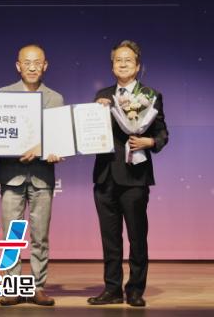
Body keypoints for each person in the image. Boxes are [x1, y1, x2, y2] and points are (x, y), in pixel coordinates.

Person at [88, 40, 168, 308]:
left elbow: (162, 133)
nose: (122, 64)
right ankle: (112, 289)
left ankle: (135, 289)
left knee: (137, 236)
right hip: (105, 175)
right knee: (109, 238)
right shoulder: (103, 95)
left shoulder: (150, 95)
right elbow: (91, 132)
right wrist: (96, 112)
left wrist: (150, 142)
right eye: (117, 60)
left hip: (135, 176)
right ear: (112, 66)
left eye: (128, 60)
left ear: (137, 66)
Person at [0, 44, 64, 307]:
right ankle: (12, 287)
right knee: (11, 236)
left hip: (42, 176)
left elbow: (59, 139)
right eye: (27, 62)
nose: (32, 67)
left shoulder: (55, 98)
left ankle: (37, 286)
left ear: (45, 66)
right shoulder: (3, 94)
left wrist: (48, 151)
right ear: (18, 66)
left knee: (40, 236)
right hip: (11, 175)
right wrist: (13, 149)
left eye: (37, 63)